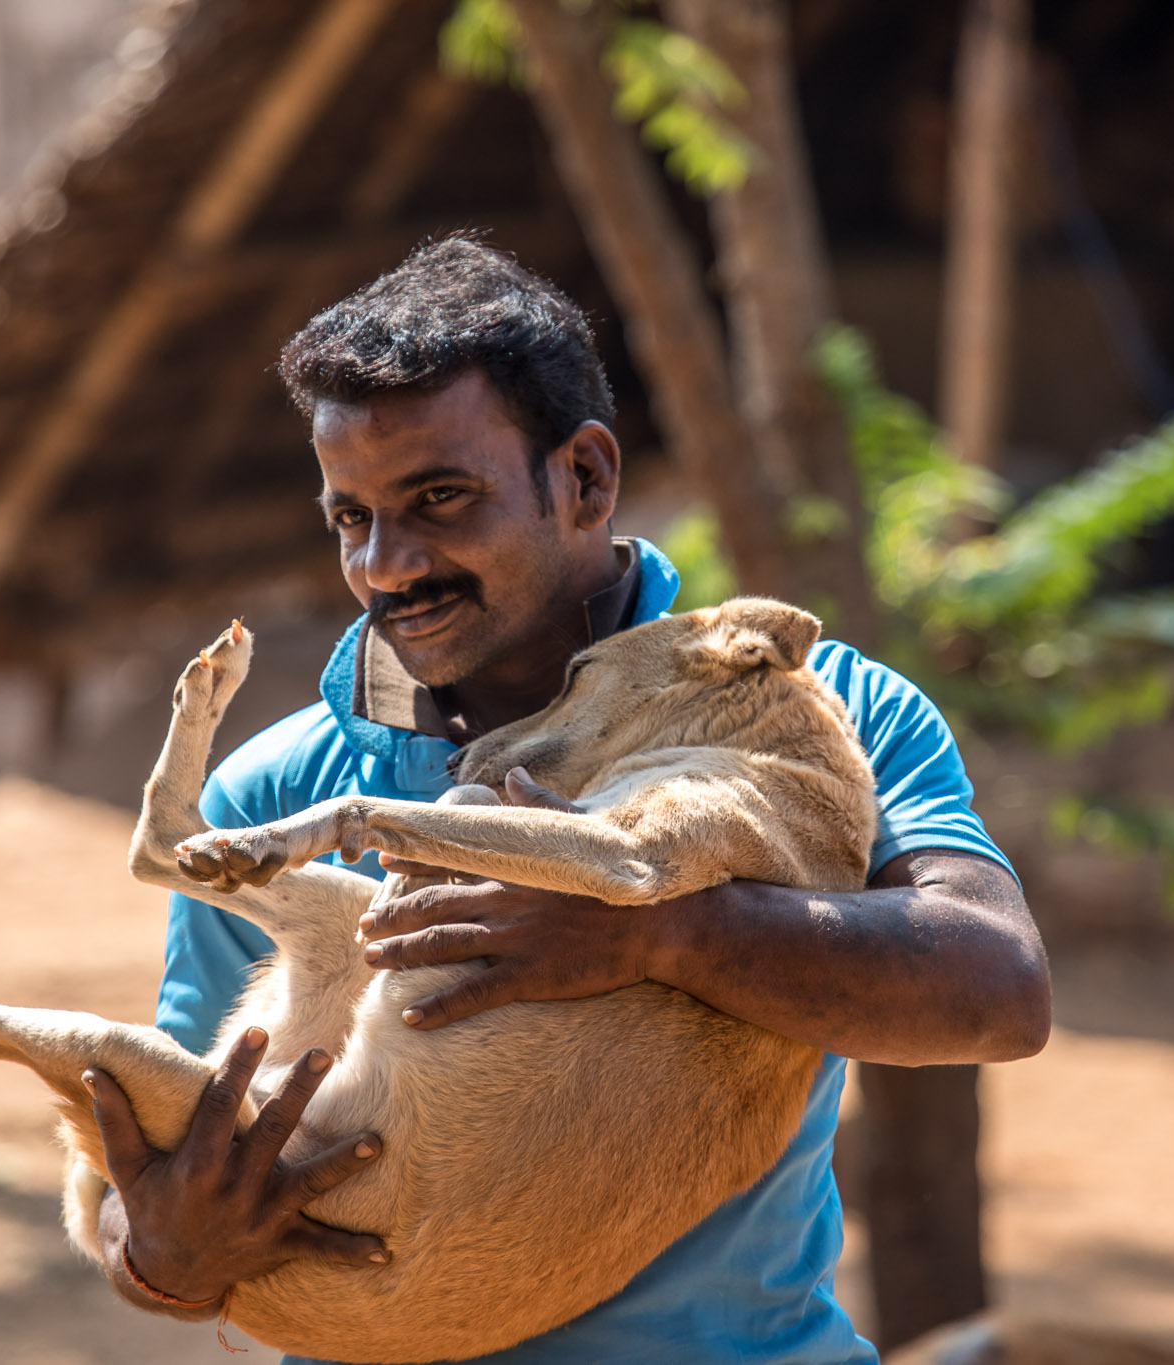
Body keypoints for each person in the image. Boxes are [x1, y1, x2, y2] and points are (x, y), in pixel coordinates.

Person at [82, 236, 1052, 1364]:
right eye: (352, 518)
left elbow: (998, 990)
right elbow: (155, 1171)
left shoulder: (804, 713)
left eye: (440, 498)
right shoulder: (273, 793)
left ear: (585, 478)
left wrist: (664, 930)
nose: (387, 564)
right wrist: (160, 1257)